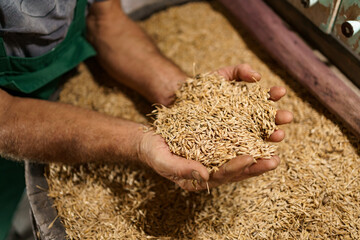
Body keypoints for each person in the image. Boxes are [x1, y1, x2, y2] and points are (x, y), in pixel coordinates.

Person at [0, 0, 293, 239]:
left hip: (61, 65)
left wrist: (187, 95)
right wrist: (138, 143)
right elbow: (5, 118)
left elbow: (106, 21)